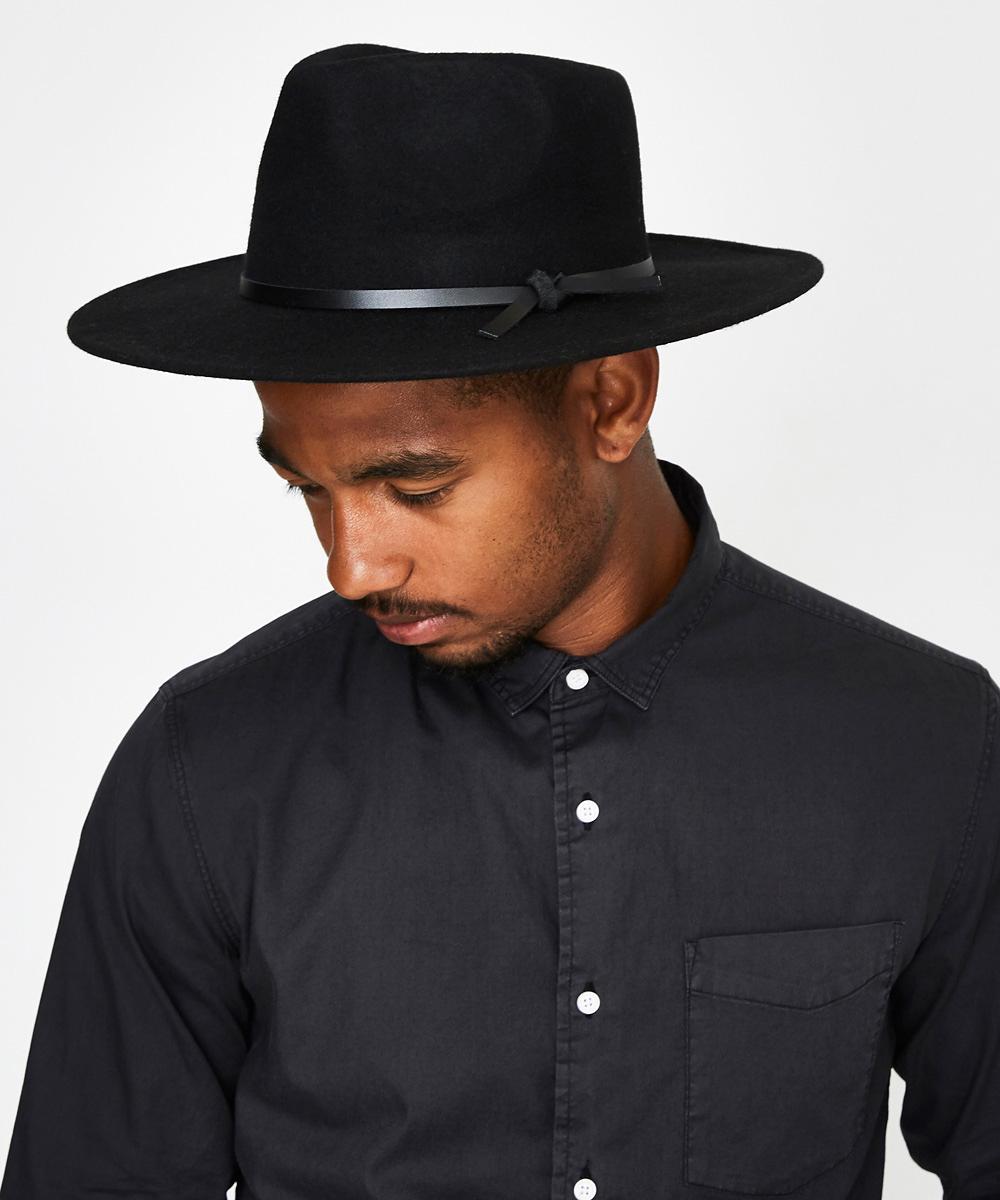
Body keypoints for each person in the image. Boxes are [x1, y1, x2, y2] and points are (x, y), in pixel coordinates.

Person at [3, 43, 997, 1200]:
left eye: (415, 485)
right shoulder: (208, 767)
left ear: (611, 401)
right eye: (307, 488)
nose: (351, 566)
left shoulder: (923, 743)